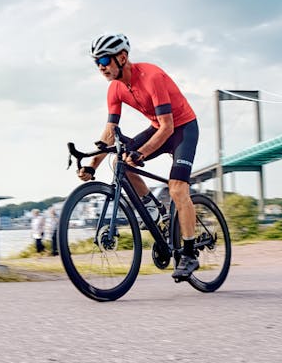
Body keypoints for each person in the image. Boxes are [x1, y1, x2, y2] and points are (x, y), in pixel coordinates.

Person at [78, 33, 200, 279]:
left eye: (104, 60)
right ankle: (154, 210)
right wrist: (92, 166)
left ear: (122, 57)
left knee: (177, 189)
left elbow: (168, 127)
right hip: (159, 128)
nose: (100, 67)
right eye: (96, 62)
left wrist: (141, 153)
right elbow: (110, 131)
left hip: (182, 129)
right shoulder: (114, 88)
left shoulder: (151, 77)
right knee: (120, 162)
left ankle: (188, 253)